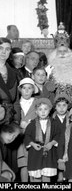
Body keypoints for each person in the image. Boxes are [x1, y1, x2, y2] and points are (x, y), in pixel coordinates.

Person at [46, 23, 72, 106]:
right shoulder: (48, 69)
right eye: (60, 52)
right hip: (54, 105)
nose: (62, 54)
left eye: (64, 51)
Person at [24, 98, 60, 182]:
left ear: (50, 110)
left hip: (49, 152)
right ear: (36, 111)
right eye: (40, 109)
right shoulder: (32, 124)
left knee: (47, 175)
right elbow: (27, 136)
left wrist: (51, 143)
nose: (43, 112)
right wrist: (32, 144)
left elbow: (58, 135)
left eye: (45, 109)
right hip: (35, 152)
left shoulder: (54, 123)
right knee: (37, 176)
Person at [0, 37, 21, 175]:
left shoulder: (14, 72)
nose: (4, 52)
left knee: (10, 159)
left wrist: (17, 122)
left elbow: (16, 101)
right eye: (1, 48)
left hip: (10, 121)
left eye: (7, 49)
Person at [17, 77, 38, 182]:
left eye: (29, 88)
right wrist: (19, 124)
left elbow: (43, 116)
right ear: (20, 89)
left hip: (34, 137)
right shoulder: (16, 104)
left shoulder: (37, 102)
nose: (26, 90)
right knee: (23, 164)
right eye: (24, 88)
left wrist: (30, 123)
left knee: (34, 164)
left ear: (33, 90)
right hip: (20, 138)